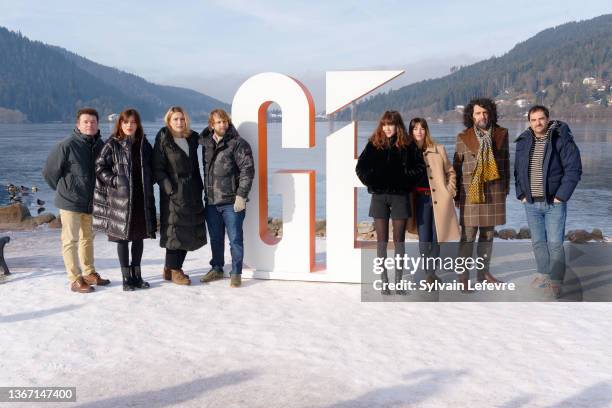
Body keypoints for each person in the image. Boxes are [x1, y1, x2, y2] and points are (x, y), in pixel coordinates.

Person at [514, 105, 582, 298]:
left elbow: (574, 169)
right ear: (529, 122)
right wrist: (521, 194)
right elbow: (518, 170)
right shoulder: (524, 140)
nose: (538, 123)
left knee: (554, 243)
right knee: (538, 242)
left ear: (548, 118)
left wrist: (561, 196)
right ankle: (543, 274)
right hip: (531, 203)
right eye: (534, 119)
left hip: (554, 203)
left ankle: (556, 281)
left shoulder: (561, 138)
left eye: (541, 118)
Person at [356, 110, 425, 295]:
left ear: (397, 125)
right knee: (381, 241)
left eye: (391, 124)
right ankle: (384, 281)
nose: (387, 128)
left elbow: (419, 168)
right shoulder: (373, 143)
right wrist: (373, 181)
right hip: (379, 197)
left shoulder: (408, 145)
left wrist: (404, 181)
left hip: (400, 197)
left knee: (399, 241)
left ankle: (399, 281)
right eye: (385, 124)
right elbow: (360, 168)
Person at [42, 108, 110, 293]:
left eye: (93, 122)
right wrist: (65, 191)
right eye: (86, 122)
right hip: (70, 202)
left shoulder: (100, 145)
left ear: (97, 124)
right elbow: (49, 172)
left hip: (91, 201)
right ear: (78, 124)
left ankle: (89, 272)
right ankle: (74, 279)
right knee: (70, 240)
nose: (90, 125)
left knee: (88, 238)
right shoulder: (66, 145)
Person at [93, 109, 157, 291]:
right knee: (122, 238)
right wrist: (113, 180)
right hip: (120, 199)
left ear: (138, 124)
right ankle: (125, 278)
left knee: (138, 238)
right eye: (126, 122)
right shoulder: (112, 144)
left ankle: (137, 276)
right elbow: (99, 166)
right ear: (120, 124)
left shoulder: (144, 144)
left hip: (141, 198)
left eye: (133, 122)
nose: (129, 125)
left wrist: (150, 180)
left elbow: (153, 165)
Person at [453, 98, 510, 289]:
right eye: (478, 113)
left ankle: (484, 273)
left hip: (494, 192)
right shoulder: (463, 137)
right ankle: (463, 277)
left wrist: (505, 189)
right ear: (471, 115)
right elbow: (456, 167)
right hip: (470, 194)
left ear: (491, 114)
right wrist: (456, 196)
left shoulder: (502, 134)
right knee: (467, 237)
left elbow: (506, 163)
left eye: (485, 112)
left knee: (487, 236)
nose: (482, 116)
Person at [199, 109, 254, 288]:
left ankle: (236, 272)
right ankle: (217, 268)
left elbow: (247, 170)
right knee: (215, 238)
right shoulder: (205, 144)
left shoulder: (238, 143)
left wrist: (241, 196)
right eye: (219, 122)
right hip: (211, 202)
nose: (223, 125)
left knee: (235, 239)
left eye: (225, 121)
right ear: (211, 125)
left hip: (232, 202)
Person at [153, 106, 207, 285]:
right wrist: (169, 190)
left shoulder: (191, 138)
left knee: (188, 229)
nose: (179, 122)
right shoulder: (163, 138)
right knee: (174, 231)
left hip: (192, 190)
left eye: (182, 119)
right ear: (169, 120)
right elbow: (158, 168)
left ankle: (170, 268)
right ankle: (175, 270)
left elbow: (209, 138)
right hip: (173, 192)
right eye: (175, 119)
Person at [406, 118, 460, 284]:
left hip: (439, 200)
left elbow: (451, 172)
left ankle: (431, 274)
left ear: (426, 130)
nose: (419, 131)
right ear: (411, 131)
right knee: (424, 238)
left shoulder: (438, 149)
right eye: (415, 129)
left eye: (422, 128)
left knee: (437, 238)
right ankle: (428, 271)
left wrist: (449, 191)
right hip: (419, 201)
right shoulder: (407, 152)